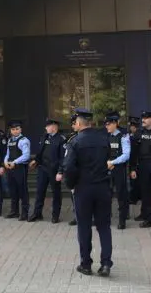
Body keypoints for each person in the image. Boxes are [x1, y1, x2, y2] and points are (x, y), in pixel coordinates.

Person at [62, 108, 113, 277]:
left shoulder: (75, 142)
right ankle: (106, 264)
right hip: (103, 187)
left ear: (78, 123)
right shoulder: (104, 138)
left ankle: (86, 264)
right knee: (104, 226)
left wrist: (71, 185)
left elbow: (69, 167)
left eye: (75, 122)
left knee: (84, 227)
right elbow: (109, 160)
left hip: (83, 189)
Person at [29, 118, 66, 223]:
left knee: (56, 193)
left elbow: (63, 158)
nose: (46, 128)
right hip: (43, 168)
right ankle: (37, 213)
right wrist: (35, 160)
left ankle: (55, 215)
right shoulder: (45, 136)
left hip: (54, 170)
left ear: (54, 127)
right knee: (40, 191)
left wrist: (60, 171)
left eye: (47, 126)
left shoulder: (61, 139)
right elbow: (40, 152)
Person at [104, 112, 130, 230]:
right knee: (106, 196)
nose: (107, 127)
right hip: (107, 169)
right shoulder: (106, 136)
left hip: (119, 169)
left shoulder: (123, 136)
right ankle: (105, 219)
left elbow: (126, 155)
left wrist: (112, 162)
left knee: (121, 195)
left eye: (108, 124)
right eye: (106, 124)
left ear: (115, 124)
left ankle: (122, 220)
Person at [3, 120, 30, 220]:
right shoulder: (10, 140)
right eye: (13, 129)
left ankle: (24, 213)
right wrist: (5, 161)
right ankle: (14, 211)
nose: (15, 131)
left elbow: (26, 155)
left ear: (20, 129)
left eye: (17, 129)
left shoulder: (24, 140)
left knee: (22, 191)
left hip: (20, 168)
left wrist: (14, 162)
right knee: (13, 190)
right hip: (10, 167)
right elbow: (7, 154)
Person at [127, 116, 141, 205]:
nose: (130, 128)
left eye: (131, 126)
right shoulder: (133, 135)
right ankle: (135, 197)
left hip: (136, 162)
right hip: (134, 161)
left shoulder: (137, 135)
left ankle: (134, 198)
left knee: (135, 181)